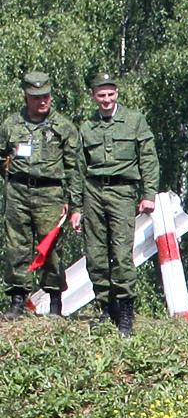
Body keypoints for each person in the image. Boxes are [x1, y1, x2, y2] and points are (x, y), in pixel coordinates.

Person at [76, 72, 157, 336]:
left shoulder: (134, 121)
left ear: (117, 94)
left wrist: (149, 194)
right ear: (94, 96)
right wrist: (76, 207)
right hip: (93, 193)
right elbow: (78, 169)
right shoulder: (86, 128)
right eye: (101, 95)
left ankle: (125, 313)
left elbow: (148, 159)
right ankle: (104, 308)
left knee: (122, 255)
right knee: (96, 256)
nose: (107, 100)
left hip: (123, 192)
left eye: (111, 94)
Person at [0, 72, 81, 320]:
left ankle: (55, 302)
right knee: (16, 246)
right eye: (36, 97)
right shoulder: (11, 125)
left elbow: (74, 168)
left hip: (50, 193)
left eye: (45, 96)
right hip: (18, 192)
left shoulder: (63, 127)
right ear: (26, 96)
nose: (42, 101)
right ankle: (17, 300)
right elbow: (2, 156)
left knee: (50, 248)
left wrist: (74, 203)